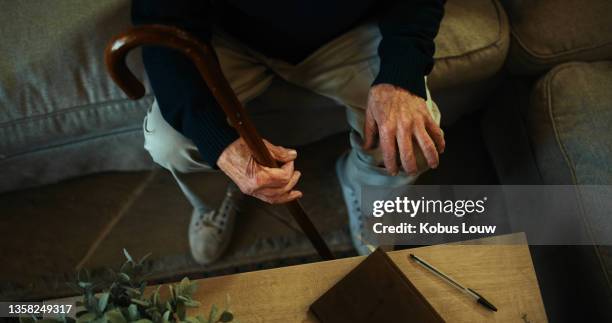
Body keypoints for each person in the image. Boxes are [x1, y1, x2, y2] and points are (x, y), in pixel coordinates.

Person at [132, 0, 446, 264]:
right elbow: (161, 25)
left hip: (345, 32)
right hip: (225, 35)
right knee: (169, 142)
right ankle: (216, 197)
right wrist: (219, 145)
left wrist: (402, 73)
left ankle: (367, 189)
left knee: (412, 137)